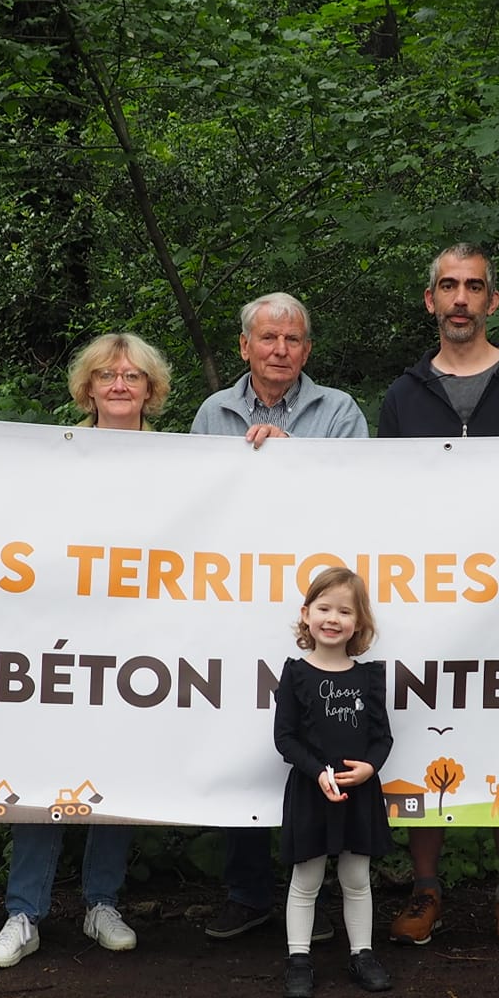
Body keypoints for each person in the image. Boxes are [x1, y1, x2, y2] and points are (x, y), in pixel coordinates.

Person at [379, 242, 499, 951]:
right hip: (425, 599)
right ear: (431, 300)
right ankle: (425, 889)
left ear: (493, 300)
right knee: (422, 735)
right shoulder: (403, 395)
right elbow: (383, 497)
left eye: (474, 287)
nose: (461, 299)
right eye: (449, 286)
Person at [0, 333, 166, 968]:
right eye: (107, 375)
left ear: (150, 390)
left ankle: (101, 903)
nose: (120, 384)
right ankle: (23, 913)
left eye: (132, 376)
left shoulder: (183, 463)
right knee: (44, 764)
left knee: (115, 766)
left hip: (137, 639)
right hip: (56, 638)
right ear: (87, 387)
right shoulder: (54, 456)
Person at [192, 292, 367, 942]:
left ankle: (311, 899)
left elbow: (365, 493)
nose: (280, 349)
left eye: (292, 339)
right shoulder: (213, 412)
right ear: (245, 346)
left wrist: (296, 461)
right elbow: (192, 503)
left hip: (318, 606)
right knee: (240, 737)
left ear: (308, 349)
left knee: (318, 745)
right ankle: (246, 894)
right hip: (234, 601)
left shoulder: (340, 411)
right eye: (268, 338)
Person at [274, 567, 395, 998]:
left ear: (359, 622)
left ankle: (362, 954)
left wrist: (370, 769)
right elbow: (285, 738)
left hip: (358, 794)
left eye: (345, 611)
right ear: (306, 614)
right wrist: (318, 772)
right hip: (312, 791)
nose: (333, 619)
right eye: (324, 608)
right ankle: (298, 959)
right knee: (305, 878)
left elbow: (383, 738)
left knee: (356, 877)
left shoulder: (369, 678)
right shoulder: (295, 674)